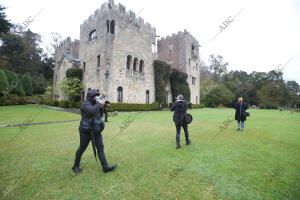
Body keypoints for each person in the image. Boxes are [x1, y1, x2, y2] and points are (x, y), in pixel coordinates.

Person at [72, 89, 117, 174]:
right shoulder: (85, 104)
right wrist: (99, 103)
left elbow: (99, 115)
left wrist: (102, 106)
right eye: (95, 96)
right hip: (85, 130)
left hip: (96, 129)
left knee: (100, 148)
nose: (97, 97)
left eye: (97, 96)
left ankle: (105, 167)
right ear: (90, 96)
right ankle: (75, 166)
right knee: (82, 148)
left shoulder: (96, 104)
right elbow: (92, 111)